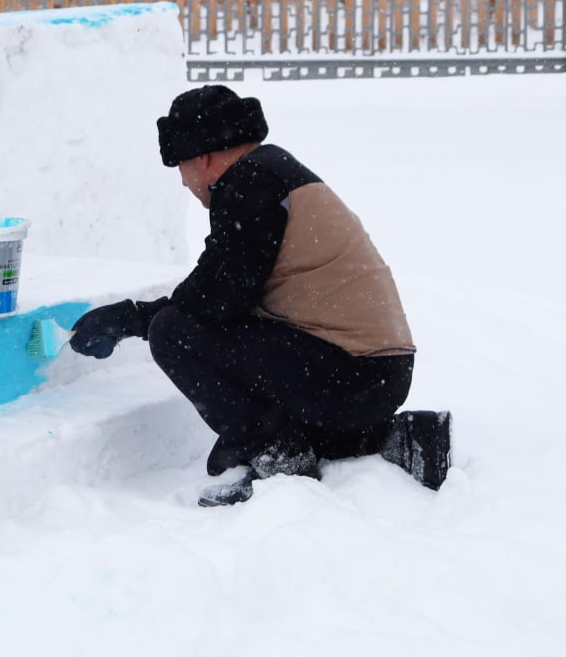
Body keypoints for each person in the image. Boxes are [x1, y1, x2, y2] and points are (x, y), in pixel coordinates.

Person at [69, 85, 451, 506]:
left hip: (352, 372)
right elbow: (234, 290)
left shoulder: (252, 181)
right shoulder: (272, 172)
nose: (182, 181)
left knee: (173, 332)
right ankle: (400, 439)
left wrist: (136, 318)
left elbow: (216, 298)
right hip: (375, 373)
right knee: (229, 392)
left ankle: (280, 456)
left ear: (203, 158)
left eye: (180, 166)